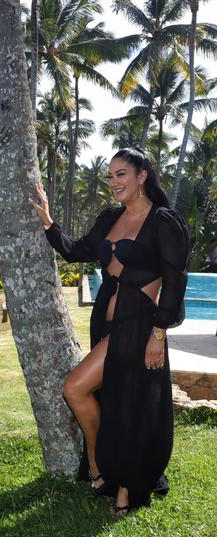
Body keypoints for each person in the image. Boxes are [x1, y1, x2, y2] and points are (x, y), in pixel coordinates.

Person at [31, 147, 190, 516]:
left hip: (140, 325)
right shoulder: (109, 218)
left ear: (141, 176)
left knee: (104, 397)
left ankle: (123, 485)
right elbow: (78, 251)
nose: (114, 182)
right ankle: (100, 464)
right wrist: (49, 223)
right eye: (110, 176)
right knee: (105, 397)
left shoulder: (164, 222)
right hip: (106, 322)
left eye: (121, 174)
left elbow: (175, 281)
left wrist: (159, 333)